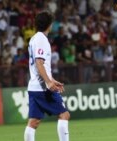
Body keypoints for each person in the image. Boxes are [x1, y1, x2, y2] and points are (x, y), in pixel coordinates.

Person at [24, 11, 70, 141]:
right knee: (64, 114)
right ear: (49, 25)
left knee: (33, 122)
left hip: (34, 87)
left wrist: (52, 80)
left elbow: (38, 66)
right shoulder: (41, 39)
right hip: (43, 89)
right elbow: (39, 63)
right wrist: (49, 83)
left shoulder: (34, 39)